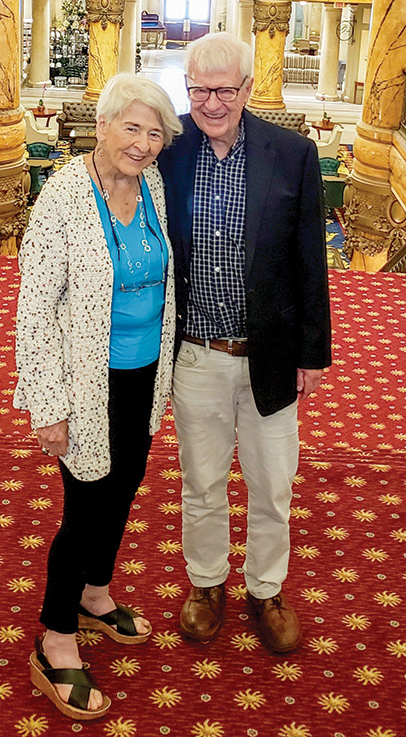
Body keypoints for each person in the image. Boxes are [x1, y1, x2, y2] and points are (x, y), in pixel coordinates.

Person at [14, 73, 182, 720]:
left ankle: (95, 593)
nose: (141, 144)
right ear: (103, 125)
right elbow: (35, 308)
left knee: (125, 486)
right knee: (85, 504)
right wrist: (47, 402)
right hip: (85, 382)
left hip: (143, 377)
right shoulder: (62, 195)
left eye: (154, 132)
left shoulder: (155, 187)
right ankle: (55, 637)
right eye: (131, 127)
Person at [158, 33, 332, 653]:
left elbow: (311, 259)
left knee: (272, 482)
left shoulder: (293, 154)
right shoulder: (169, 149)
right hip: (196, 354)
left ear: (248, 90)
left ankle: (266, 589)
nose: (208, 102)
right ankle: (206, 585)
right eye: (198, 89)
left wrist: (313, 353)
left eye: (222, 90)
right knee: (201, 482)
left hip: (272, 352)